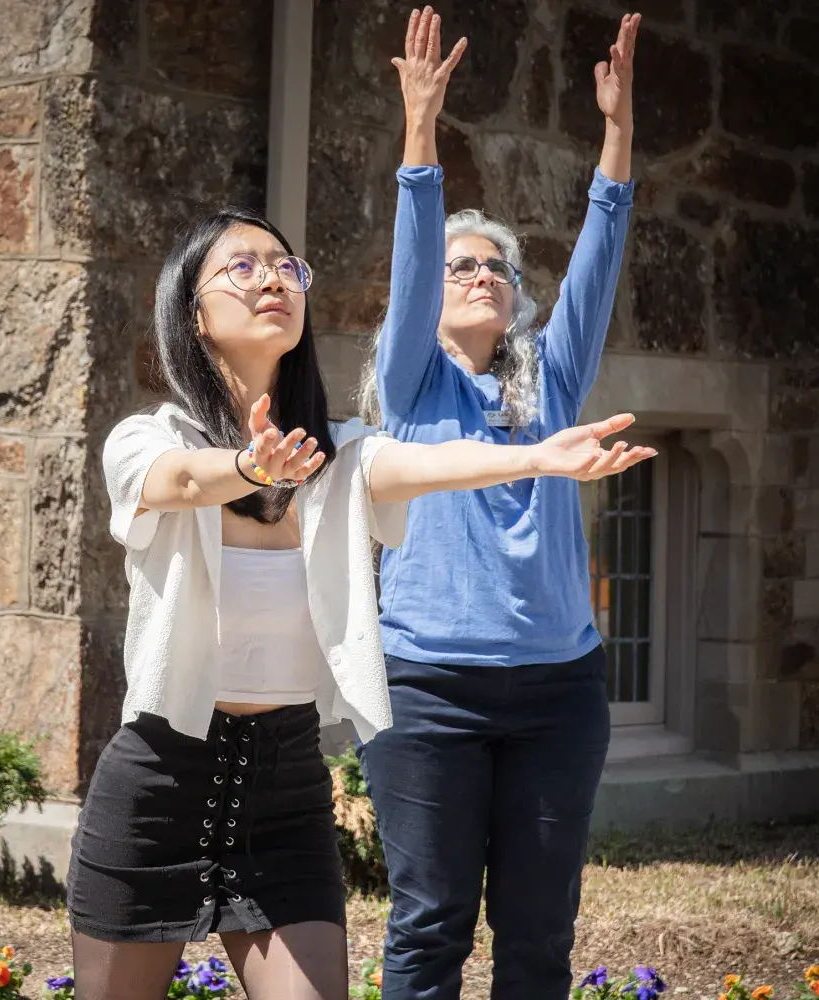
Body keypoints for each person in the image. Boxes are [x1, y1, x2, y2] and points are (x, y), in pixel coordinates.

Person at [66, 200, 653, 1000]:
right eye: (242, 266)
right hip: (160, 785)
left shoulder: (340, 454)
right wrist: (251, 470)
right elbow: (172, 484)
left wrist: (540, 458)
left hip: (285, 789)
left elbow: (431, 464)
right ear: (194, 315)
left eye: (285, 267)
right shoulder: (147, 437)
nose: (271, 278)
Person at [358, 7, 643, 1000]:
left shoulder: (549, 381)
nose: (483, 276)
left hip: (558, 695)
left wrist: (615, 135)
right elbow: (406, 269)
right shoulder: (413, 385)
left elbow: (599, 264)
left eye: (499, 269)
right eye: (462, 266)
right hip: (427, 691)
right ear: (431, 299)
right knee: (429, 925)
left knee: (537, 937)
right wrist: (420, 132)